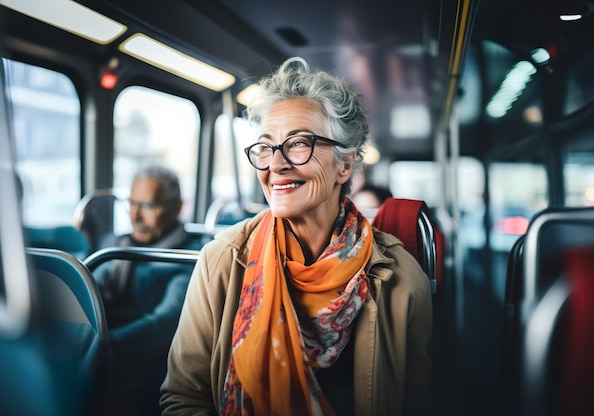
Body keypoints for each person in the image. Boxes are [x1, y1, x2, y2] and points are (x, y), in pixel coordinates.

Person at [160, 57, 432, 415]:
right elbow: (184, 398)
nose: (276, 164)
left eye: (299, 143)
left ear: (345, 165)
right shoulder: (223, 260)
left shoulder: (401, 279)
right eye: (266, 147)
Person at [94, 165, 200, 415]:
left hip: (152, 367)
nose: (135, 216)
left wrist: (101, 347)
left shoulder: (191, 259)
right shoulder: (116, 246)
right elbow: (88, 291)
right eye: (132, 203)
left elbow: (165, 324)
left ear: (176, 207)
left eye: (149, 206)